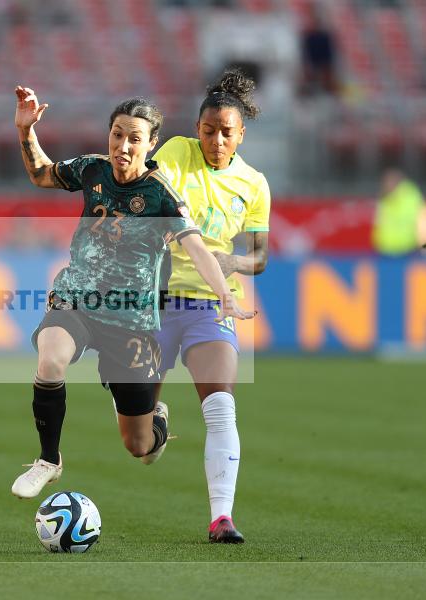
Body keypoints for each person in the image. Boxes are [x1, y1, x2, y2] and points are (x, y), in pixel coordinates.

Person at [10, 85, 256, 500]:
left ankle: (156, 421)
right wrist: (25, 130)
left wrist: (225, 295)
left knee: (139, 447)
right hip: (78, 300)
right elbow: (41, 173)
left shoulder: (162, 196)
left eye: (134, 138)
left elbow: (197, 249)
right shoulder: (91, 169)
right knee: (51, 359)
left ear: (151, 143)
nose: (123, 146)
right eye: (117, 135)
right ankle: (49, 461)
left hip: (130, 322)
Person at [151, 68, 271, 543]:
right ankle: (152, 420)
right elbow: (153, 191)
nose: (216, 141)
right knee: (138, 443)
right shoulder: (175, 153)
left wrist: (234, 260)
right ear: (196, 128)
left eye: (226, 132)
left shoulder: (255, 184)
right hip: (155, 299)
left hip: (208, 304)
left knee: (221, 407)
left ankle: (221, 517)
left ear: (241, 133)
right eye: (208, 130)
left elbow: (260, 255)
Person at [372, 168, 426, 256]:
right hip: (385, 252)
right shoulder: (385, 200)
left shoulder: (412, 199)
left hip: (408, 252)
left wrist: (425, 248)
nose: (386, 185)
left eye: (389, 181)